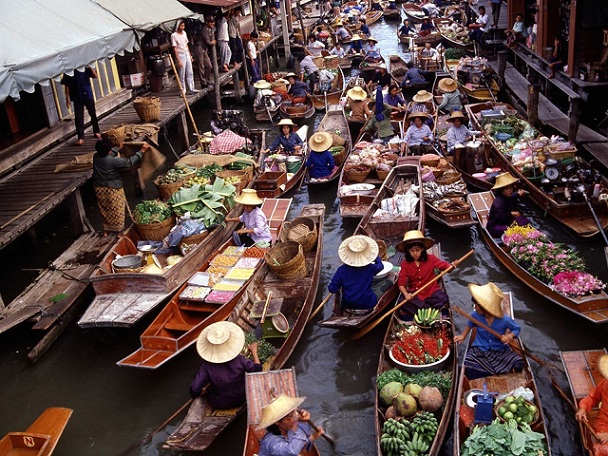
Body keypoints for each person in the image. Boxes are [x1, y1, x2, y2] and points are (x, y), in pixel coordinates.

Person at [454, 282, 523, 380]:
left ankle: (488, 371)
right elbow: (470, 324)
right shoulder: (475, 316)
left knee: (518, 362)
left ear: (485, 308)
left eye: (476, 305)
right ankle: (490, 371)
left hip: (499, 350)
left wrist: (510, 336)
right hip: (480, 349)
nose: (475, 307)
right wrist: (463, 336)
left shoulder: (504, 319)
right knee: (469, 362)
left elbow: (517, 328)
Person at [189, 321, 262, 409]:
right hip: (241, 398)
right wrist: (254, 351)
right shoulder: (239, 359)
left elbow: (194, 389)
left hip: (217, 403)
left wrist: (201, 391)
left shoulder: (206, 366)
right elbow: (257, 369)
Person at [395, 230, 457, 317]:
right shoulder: (405, 264)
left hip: (432, 290)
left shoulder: (431, 259)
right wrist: (406, 294)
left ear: (422, 249)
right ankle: (429, 310)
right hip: (415, 292)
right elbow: (401, 283)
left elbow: (446, 267)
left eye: (417, 250)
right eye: (412, 250)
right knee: (402, 302)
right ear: (408, 251)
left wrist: (452, 266)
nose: (415, 254)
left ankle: (422, 310)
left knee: (443, 298)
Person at [93, 139, 149, 235]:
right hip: (112, 188)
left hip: (99, 187)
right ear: (108, 151)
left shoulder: (96, 157)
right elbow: (129, 162)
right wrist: (142, 151)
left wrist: (118, 148)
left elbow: (109, 154)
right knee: (117, 209)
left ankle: (106, 230)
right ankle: (119, 231)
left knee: (105, 209)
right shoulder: (113, 161)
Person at [328, 235, 385, 314]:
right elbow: (381, 266)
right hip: (367, 306)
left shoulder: (341, 270)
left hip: (347, 307)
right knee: (387, 283)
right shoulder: (371, 268)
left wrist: (337, 284)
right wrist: (375, 257)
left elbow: (332, 289)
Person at [256, 395, 323, 456]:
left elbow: (299, 444)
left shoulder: (287, 430)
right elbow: (292, 451)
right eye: (288, 419)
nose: (293, 420)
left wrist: (314, 437)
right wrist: (298, 425)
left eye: (293, 416)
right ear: (277, 422)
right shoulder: (271, 441)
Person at [61, 66, 101, 146]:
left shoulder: (85, 67)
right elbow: (67, 85)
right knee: (79, 117)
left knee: (93, 113)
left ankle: (96, 131)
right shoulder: (69, 70)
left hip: (88, 94)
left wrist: (90, 67)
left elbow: (95, 76)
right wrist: (67, 98)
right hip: (77, 96)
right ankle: (80, 137)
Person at [575, 354, 608, 449]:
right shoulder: (606, 384)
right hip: (603, 425)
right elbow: (592, 398)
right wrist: (583, 408)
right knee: (601, 449)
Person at [487, 173, 530, 238]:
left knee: (524, 221)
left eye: (511, 188)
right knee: (511, 231)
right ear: (502, 190)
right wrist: (511, 213)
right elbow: (500, 216)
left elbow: (512, 197)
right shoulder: (499, 202)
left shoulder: (506, 196)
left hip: (507, 220)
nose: (510, 191)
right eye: (507, 189)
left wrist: (518, 194)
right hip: (496, 225)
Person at [172, 20, 199, 95]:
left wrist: (190, 55)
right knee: (182, 73)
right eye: (181, 25)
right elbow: (174, 48)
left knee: (190, 72)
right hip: (180, 54)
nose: (182, 27)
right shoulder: (174, 35)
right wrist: (178, 60)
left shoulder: (184, 33)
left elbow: (186, 44)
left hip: (186, 53)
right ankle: (182, 90)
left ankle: (192, 88)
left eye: (183, 25)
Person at [192, 19, 212, 88]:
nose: (212, 23)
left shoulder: (209, 29)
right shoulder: (204, 29)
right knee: (201, 65)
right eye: (210, 22)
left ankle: (207, 80)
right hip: (199, 47)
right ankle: (203, 82)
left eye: (213, 22)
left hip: (204, 48)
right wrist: (212, 42)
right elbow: (207, 41)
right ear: (207, 22)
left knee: (209, 65)